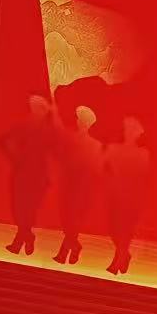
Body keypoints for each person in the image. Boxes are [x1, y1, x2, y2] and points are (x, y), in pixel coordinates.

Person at [0, 95, 56, 257]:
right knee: (19, 208)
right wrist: (16, 158)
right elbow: (4, 140)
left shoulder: (48, 130)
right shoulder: (26, 125)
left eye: (37, 108)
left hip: (36, 175)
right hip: (24, 173)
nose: (34, 110)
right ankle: (27, 236)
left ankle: (20, 241)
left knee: (28, 209)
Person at [53, 105, 103, 266]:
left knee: (72, 221)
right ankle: (73, 247)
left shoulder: (93, 144)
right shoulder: (74, 140)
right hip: (70, 185)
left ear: (81, 122)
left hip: (81, 187)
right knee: (67, 220)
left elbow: (96, 168)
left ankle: (65, 252)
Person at [102, 116, 151, 277]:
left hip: (132, 197)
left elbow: (143, 177)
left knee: (125, 230)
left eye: (132, 130)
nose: (129, 133)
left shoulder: (143, 154)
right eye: (127, 129)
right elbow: (104, 167)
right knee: (113, 229)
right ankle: (124, 255)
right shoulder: (113, 149)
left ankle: (118, 260)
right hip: (115, 194)